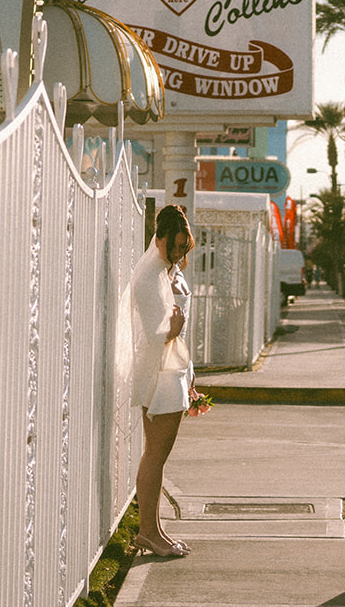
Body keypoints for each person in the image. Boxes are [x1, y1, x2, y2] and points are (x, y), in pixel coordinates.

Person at [128, 204, 196, 557]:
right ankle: (148, 532)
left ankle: (155, 530)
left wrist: (191, 378)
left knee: (159, 455)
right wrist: (174, 328)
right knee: (155, 454)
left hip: (172, 371)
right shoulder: (150, 275)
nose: (179, 253)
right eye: (175, 246)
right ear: (161, 238)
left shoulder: (164, 272)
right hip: (160, 374)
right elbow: (153, 334)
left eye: (184, 248)